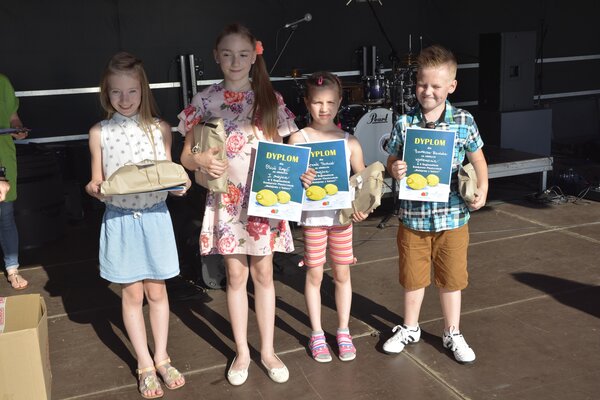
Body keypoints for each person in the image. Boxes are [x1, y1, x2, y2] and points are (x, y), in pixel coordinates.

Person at [177, 23, 314, 386]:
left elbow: (288, 149)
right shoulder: (204, 100)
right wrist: (199, 160)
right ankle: (242, 351)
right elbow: (186, 157)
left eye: (242, 54)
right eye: (227, 54)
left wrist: (301, 174)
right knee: (236, 276)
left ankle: (268, 350)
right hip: (227, 202)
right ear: (216, 57)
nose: (235, 61)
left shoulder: (270, 98)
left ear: (254, 56)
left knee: (264, 275)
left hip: (264, 203)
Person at [85, 52, 188, 399]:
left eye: (132, 91)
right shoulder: (99, 132)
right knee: (131, 294)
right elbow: (95, 180)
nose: (125, 99)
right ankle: (144, 364)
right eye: (116, 92)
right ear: (106, 93)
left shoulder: (161, 129)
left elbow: (171, 175)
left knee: (157, 292)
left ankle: (162, 357)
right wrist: (95, 189)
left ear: (143, 90)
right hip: (120, 221)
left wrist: (181, 185)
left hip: (156, 218)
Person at [383, 44, 488, 364]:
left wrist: (483, 187)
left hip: (452, 218)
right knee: (412, 278)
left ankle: (452, 331)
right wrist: (394, 168)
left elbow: (478, 158)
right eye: (422, 84)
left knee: (451, 279)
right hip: (413, 219)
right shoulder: (404, 123)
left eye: (436, 86)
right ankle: (410, 327)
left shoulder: (464, 121)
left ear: (452, 86)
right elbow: (391, 158)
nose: (427, 91)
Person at [287, 71, 367, 363]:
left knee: (342, 274)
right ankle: (317, 333)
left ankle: (343, 330)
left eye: (330, 102)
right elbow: (287, 184)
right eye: (318, 102)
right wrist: (300, 179)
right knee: (315, 274)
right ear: (306, 102)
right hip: (313, 220)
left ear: (340, 102)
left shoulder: (350, 141)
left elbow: (363, 181)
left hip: (341, 220)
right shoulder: (298, 139)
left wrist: (362, 205)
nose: (324, 108)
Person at [0, 73, 29, 290]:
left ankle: (12, 269)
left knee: (6, 217)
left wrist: (18, 129)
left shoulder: (3, 82)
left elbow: (13, 117)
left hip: (4, 158)